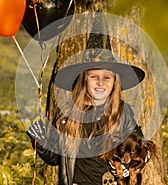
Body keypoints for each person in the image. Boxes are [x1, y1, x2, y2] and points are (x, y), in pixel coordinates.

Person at [27, 47, 147, 185]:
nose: (100, 82)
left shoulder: (122, 112)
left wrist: (127, 166)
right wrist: (40, 141)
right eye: (94, 76)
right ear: (84, 79)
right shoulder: (66, 113)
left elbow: (141, 148)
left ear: (115, 81)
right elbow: (54, 158)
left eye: (107, 77)